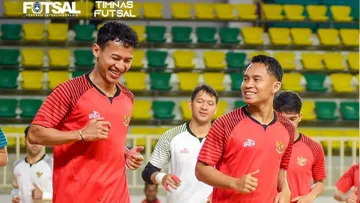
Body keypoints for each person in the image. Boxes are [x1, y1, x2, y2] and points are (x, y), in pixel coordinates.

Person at [27, 21, 144, 203]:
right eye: (115, 58)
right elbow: (35, 134)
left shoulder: (128, 97)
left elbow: (107, 140)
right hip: (75, 197)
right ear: (96, 50)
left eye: (127, 60)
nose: (120, 66)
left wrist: (125, 153)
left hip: (117, 196)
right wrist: (80, 134)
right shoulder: (70, 90)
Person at [195, 55, 295, 203]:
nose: (247, 85)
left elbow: (281, 168)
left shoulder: (287, 128)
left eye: (256, 79)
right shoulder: (226, 123)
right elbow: (201, 170)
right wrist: (234, 183)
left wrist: (286, 190)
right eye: (246, 79)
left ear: (276, 86)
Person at [142, 85, 218, 203]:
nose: (204, 107)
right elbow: (147, 172)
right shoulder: (171, 136)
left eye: (210, 103)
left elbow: (235, 175)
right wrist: (162, 177)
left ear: (215, 109)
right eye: (200, 101)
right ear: (190, 104)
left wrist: (221, 192)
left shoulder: (223, 139)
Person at [273, 91, 326, 203]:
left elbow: (320, 182)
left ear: (300, 117)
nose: (288, 124)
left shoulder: (313, 147)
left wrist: (309, 197)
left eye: (292, 119)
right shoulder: (264, 144)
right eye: (283, 119)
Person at [11, 126, 53, 203]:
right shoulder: (16, 165)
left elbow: (63, 193)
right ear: (25, 141)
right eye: (31, 139)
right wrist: (15, 196)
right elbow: (15, 188)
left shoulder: (52, 164)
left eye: (38, 139)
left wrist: (44, 195)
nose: (35, 143)